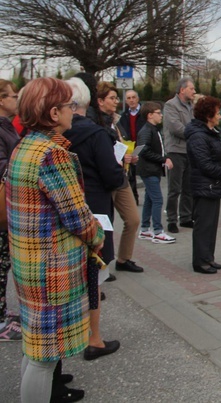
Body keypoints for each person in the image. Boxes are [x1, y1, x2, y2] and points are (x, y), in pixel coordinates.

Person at [7, 77, 104, 402]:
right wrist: (98, 234)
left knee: (35, 349)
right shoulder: (52, 155)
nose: (72, 112)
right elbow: (78, 217)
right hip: (52, 271)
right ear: (52, 113)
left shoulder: (26, 146)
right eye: (67, 106)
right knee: (45, 357)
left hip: (29, 264)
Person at [64, 78, 122, 361]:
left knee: (71, 275)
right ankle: (93, 338)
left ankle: (71, 334)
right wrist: (120, 168)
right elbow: (112, 175)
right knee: (93, 274)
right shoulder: (96, 134)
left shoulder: (52, 135)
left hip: (64, 211)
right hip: (95, 207)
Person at [95, 82, 145, 268]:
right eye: (112, 98)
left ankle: (124, 259)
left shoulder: (114, 121)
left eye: (117, 98)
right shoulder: (96, 123)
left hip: (120, 175)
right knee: (104, 223)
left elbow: (119, 145)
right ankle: (101, 264)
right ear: (100, 101)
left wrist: (128, 157)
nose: (116, 101)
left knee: (133, 219)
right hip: (105, 178)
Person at [185, 96, 221, 274]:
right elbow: (204, 164)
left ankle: (208, 257)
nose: (220, 116)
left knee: (211, 225)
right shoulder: (198, 136)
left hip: (213, 185)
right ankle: (200, 261)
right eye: (218, 113)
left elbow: (214, 159)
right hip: (204, 186)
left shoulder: (209, 133)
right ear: (208, 115)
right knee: (203, 225)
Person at [0, 80, 20, 342]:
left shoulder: (7, 126)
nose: (17, 99)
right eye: (13, 96)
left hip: (5, 206)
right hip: (1, 206)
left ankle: (3, 310)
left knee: (4, 261)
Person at [137, 102, 174, 243]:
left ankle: (145, 229)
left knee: (149, 199)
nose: (161, 115)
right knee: (158, 199)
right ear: (150, 115)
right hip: (149, 170)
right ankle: (158, 231)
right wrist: (163, 160)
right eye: (158, 113)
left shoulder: (152, 129)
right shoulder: (147, 130)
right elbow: (144, 150)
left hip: (152, 170)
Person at [163, 77, 196, 234]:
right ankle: (171, 220)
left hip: (189, 151)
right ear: (182, 90)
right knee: (174, 189)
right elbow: (176, 128)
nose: (194, 91)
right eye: (191, 88)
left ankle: (186, 217)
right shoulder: (170, 105)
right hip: (175, 151)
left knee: (188, 187)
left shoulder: (192, 106)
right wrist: (195, 134)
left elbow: (197, 124)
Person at [117, 90, 146, 203]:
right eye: (129, 98)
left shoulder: (144, 113)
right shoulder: (124, 116)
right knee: (131, 175)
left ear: (138, 99)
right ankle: (134, 199)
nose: (131, 100)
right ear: (126, 101)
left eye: (133, 97)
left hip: (142, 146)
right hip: (130, 147)